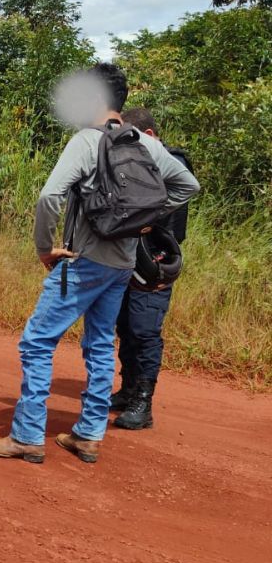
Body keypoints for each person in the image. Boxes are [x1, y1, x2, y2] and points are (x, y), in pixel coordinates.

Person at [0, 63, 199, 464]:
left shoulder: (86, 141)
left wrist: (44, 249)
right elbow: (188, 184)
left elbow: (49, 197)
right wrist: (142, 220)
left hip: (82, 262)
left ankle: (27, 436)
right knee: (99, 345)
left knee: (37, 342)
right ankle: (88, 435)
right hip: (122, 265)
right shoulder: (146, 144)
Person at [111, 107, 193, 430]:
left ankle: (143, 403)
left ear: (148, 135)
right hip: (126, 255)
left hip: (155, 260)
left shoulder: (173, 161)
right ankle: (128, 389)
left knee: (144, 328)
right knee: (125, 325)